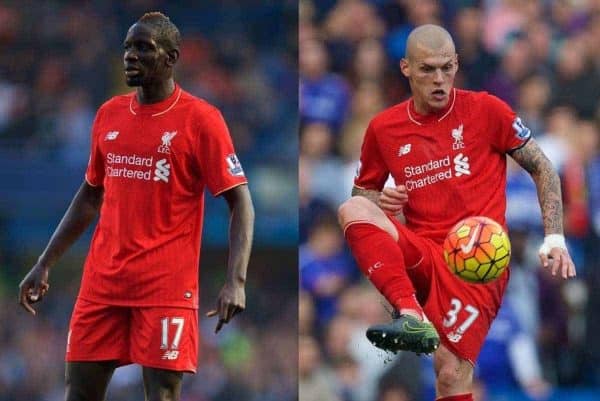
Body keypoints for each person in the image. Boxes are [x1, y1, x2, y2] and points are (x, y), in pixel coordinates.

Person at [18, 12, 254, 401]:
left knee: (160, 396)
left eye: (144, 47)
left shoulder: (201, 120)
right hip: (102, 286)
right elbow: (91, 193)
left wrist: (236, 281)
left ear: (171, 57)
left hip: (165, 289)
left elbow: (240, 202)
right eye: (128, 47)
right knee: (78, 395)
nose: (131, 55)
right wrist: (45, 262)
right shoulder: (109, 114)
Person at [337, 24, 576, 401]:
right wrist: (384, 204)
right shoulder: (384, 129)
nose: (440, 79)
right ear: (405, 68)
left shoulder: (486, 109)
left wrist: (555, 237)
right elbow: (362, 197)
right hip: (423, 252)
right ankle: (410, 316)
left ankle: (414, 318)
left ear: (458, 64)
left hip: (476, 261)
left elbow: (542, 166)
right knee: (352, 209)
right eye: (428, 69)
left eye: (447, 68)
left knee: (449, 371)